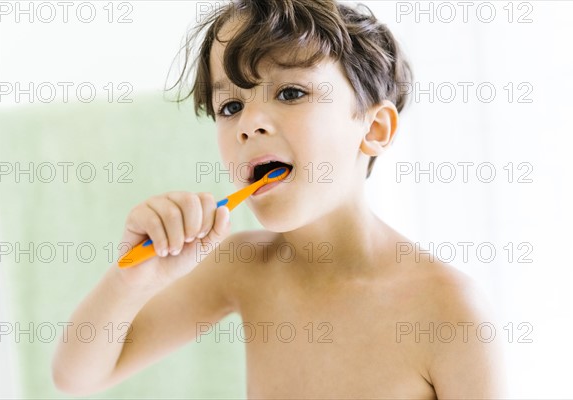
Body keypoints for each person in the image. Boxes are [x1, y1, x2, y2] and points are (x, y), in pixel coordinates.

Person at [52, 0, 507, 397]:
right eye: (230, 107)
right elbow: (78, 376)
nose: (250, 123)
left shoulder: (449, 312)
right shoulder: (244, 267)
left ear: (373, 129)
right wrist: (134, 281)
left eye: (291, 92)